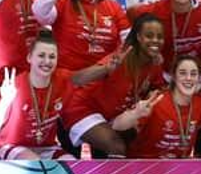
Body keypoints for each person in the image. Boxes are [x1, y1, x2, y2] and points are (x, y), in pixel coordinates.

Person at [60, 14, 166, 157]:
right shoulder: (121, 57)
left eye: (159, 37)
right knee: (116, 146)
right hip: (83, 109)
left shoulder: (155, 63)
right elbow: (77, 79)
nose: (155, 40)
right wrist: (105, 69)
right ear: (139, 37)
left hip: (113, 115)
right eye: (149, 36)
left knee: (136, 143)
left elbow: (157, 86)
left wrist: (153, 94)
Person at [0, 31, 74, 160]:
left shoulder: (61, 82)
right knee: (34, 162)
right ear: (29, 58)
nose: (47, 61)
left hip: (45, 147)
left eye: (52, 57)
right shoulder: (14, 85)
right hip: (9, 145)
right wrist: (6, 101)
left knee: (71, 163)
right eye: (41, 55)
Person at [34, 0, 131, 73]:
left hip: (102, 77)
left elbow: (128, 40)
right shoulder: (63, 2)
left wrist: (113, 61)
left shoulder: (113, 7)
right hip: (68, 79)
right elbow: (39, 13)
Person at [115, 55, 201, 159]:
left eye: (194, 74)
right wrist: (134, 114)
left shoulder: (200, 103)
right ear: (174, 76)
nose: (189, 78)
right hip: (144, 165)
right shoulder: (157, 100)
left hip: (176, 167)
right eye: (182, 73)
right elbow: (117, 125)